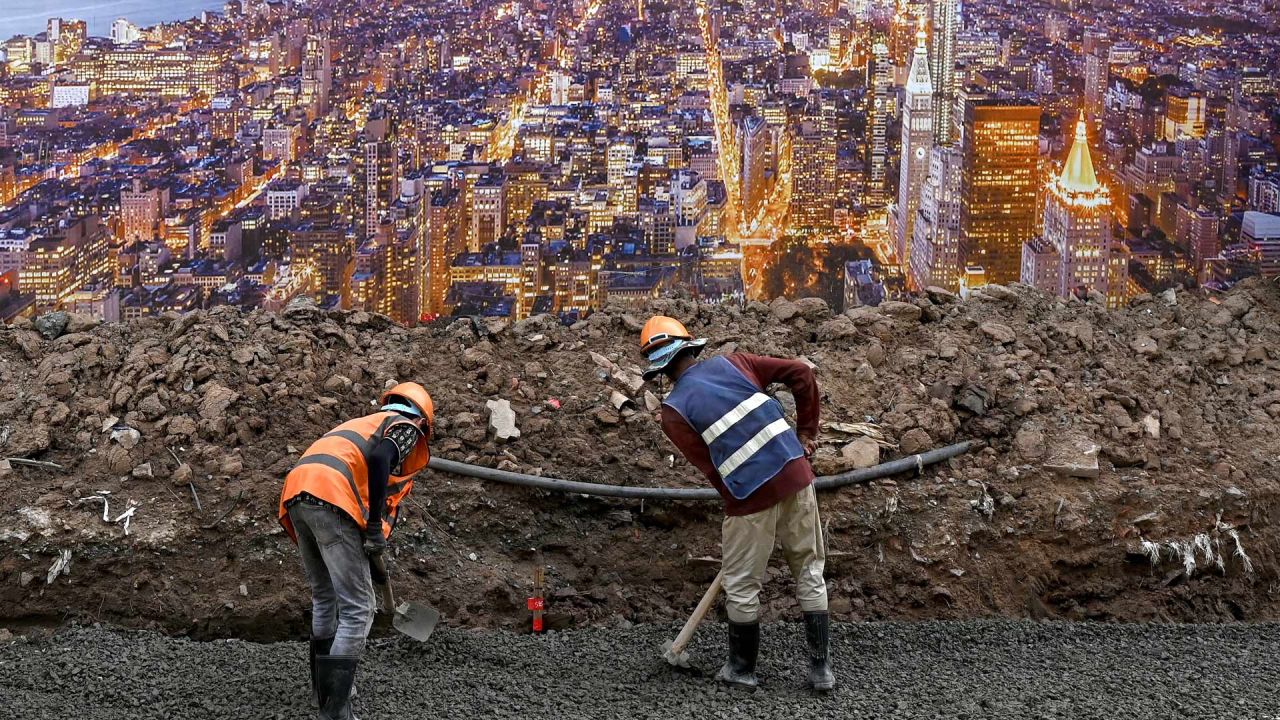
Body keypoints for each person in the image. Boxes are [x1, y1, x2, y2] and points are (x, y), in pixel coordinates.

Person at [641, 315, 834, 691]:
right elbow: (800, 372)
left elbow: (713, 470)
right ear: (690, 346)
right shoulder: (735, 362)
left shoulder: (673, 412)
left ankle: (742, 669)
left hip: (748, 495)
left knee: (743, 585)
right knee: (810, 570)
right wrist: (805, 434)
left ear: (660, 368)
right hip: (796, 474)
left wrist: (738, 508)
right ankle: (820, 671)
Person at [278, 382, 434, 719]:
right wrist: (376, 526)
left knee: (325, 597)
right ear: (423, 419)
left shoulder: (362, 425)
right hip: (333, 498)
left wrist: (374, 550)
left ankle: (323, 691)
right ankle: (336, 711)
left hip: (299, 493)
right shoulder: (405, 427)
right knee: (359, 609)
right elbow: (381, 459)